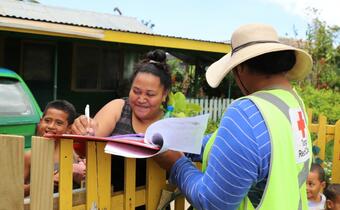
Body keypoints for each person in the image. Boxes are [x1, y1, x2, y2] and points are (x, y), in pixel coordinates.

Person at [154, 23, 313, 210]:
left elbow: (213, 202)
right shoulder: (293, 104)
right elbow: (248, 148)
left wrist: (176, 164)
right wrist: (186, 143)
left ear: (241, 68)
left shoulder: (246, 112)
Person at [71, 49, 172, 194]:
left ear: (164, 94)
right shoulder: (119, 108)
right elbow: (90, 139)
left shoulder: (170, 122)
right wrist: (84, 129)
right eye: (136, 91)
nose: (141, 99)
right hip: (108, 198)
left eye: (150, 94)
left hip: (155, 202)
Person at [24, 100, 86, 197]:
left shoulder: (75, 153)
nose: (51, 126)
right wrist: (46, 182)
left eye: (59, 123)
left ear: (69, 128)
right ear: (40, 121)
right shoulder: (30, 156)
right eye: (47, 120)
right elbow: (16, 190)